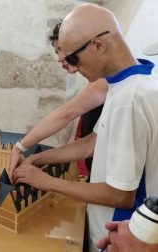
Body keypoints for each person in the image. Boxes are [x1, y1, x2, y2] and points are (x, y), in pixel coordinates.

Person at [12, 4, 158, 251]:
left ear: (98, 45)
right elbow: (93, 142)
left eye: (72, 58)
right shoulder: (125, 83)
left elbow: (120, 195)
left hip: (117, 238)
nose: (73, 67)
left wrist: (48, 182)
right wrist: (38, 158)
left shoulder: (129, 100)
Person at [9, 22, 107, 180]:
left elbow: (66, 114)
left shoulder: (108, 80)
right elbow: (89, 144)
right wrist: (35, 158)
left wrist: (19, 147)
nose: (60, 58)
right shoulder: (101, 80)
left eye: (61, 50)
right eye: (57, 52)